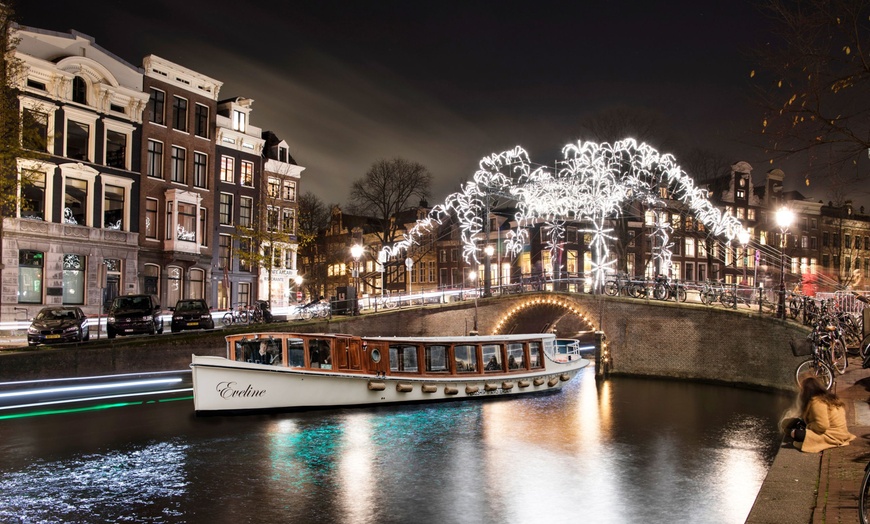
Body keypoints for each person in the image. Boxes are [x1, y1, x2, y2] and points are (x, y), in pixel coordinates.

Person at [790, 377, 855, 453]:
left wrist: (809, 426)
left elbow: (822, 425)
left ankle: (807, 439)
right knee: (795, 423)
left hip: (832, 435)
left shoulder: (817, 402)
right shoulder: (828, 397)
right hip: (841, 433)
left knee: (795, 433)